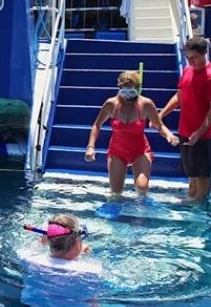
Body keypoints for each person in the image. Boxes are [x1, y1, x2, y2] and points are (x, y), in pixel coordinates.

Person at [85, 70, 178, 195]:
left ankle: (142, 208)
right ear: (119, 89)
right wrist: (91, 147)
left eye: (131, 92)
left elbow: (159, 126)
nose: (128, 96)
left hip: (140, 151)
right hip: (117, 151)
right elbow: (97, 125)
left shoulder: (146, 104)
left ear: (138, 89)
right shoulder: (111, 104)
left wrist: (169, 135)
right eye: (124, 92)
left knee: (142, 187)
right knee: (116, 192)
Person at [159, 36, 211, 203]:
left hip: (204, 135)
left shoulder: (209, 76)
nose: (190, 61)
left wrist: (200, 131)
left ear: (204, 53)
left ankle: (199, 204)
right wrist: (161, 115)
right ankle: (191, 196)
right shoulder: (188, 71)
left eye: (193, 58)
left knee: (202, 173)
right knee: (191, 170)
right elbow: (180, 96)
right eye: (188, 58)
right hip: (185, 130)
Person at [19, 214, 103, 307]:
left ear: (48, 240)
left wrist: (41, 242)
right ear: (77, 241)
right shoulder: (91, 270)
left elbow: (30, 250)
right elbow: (92, 298)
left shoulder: (29, 259)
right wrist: (87, 256)